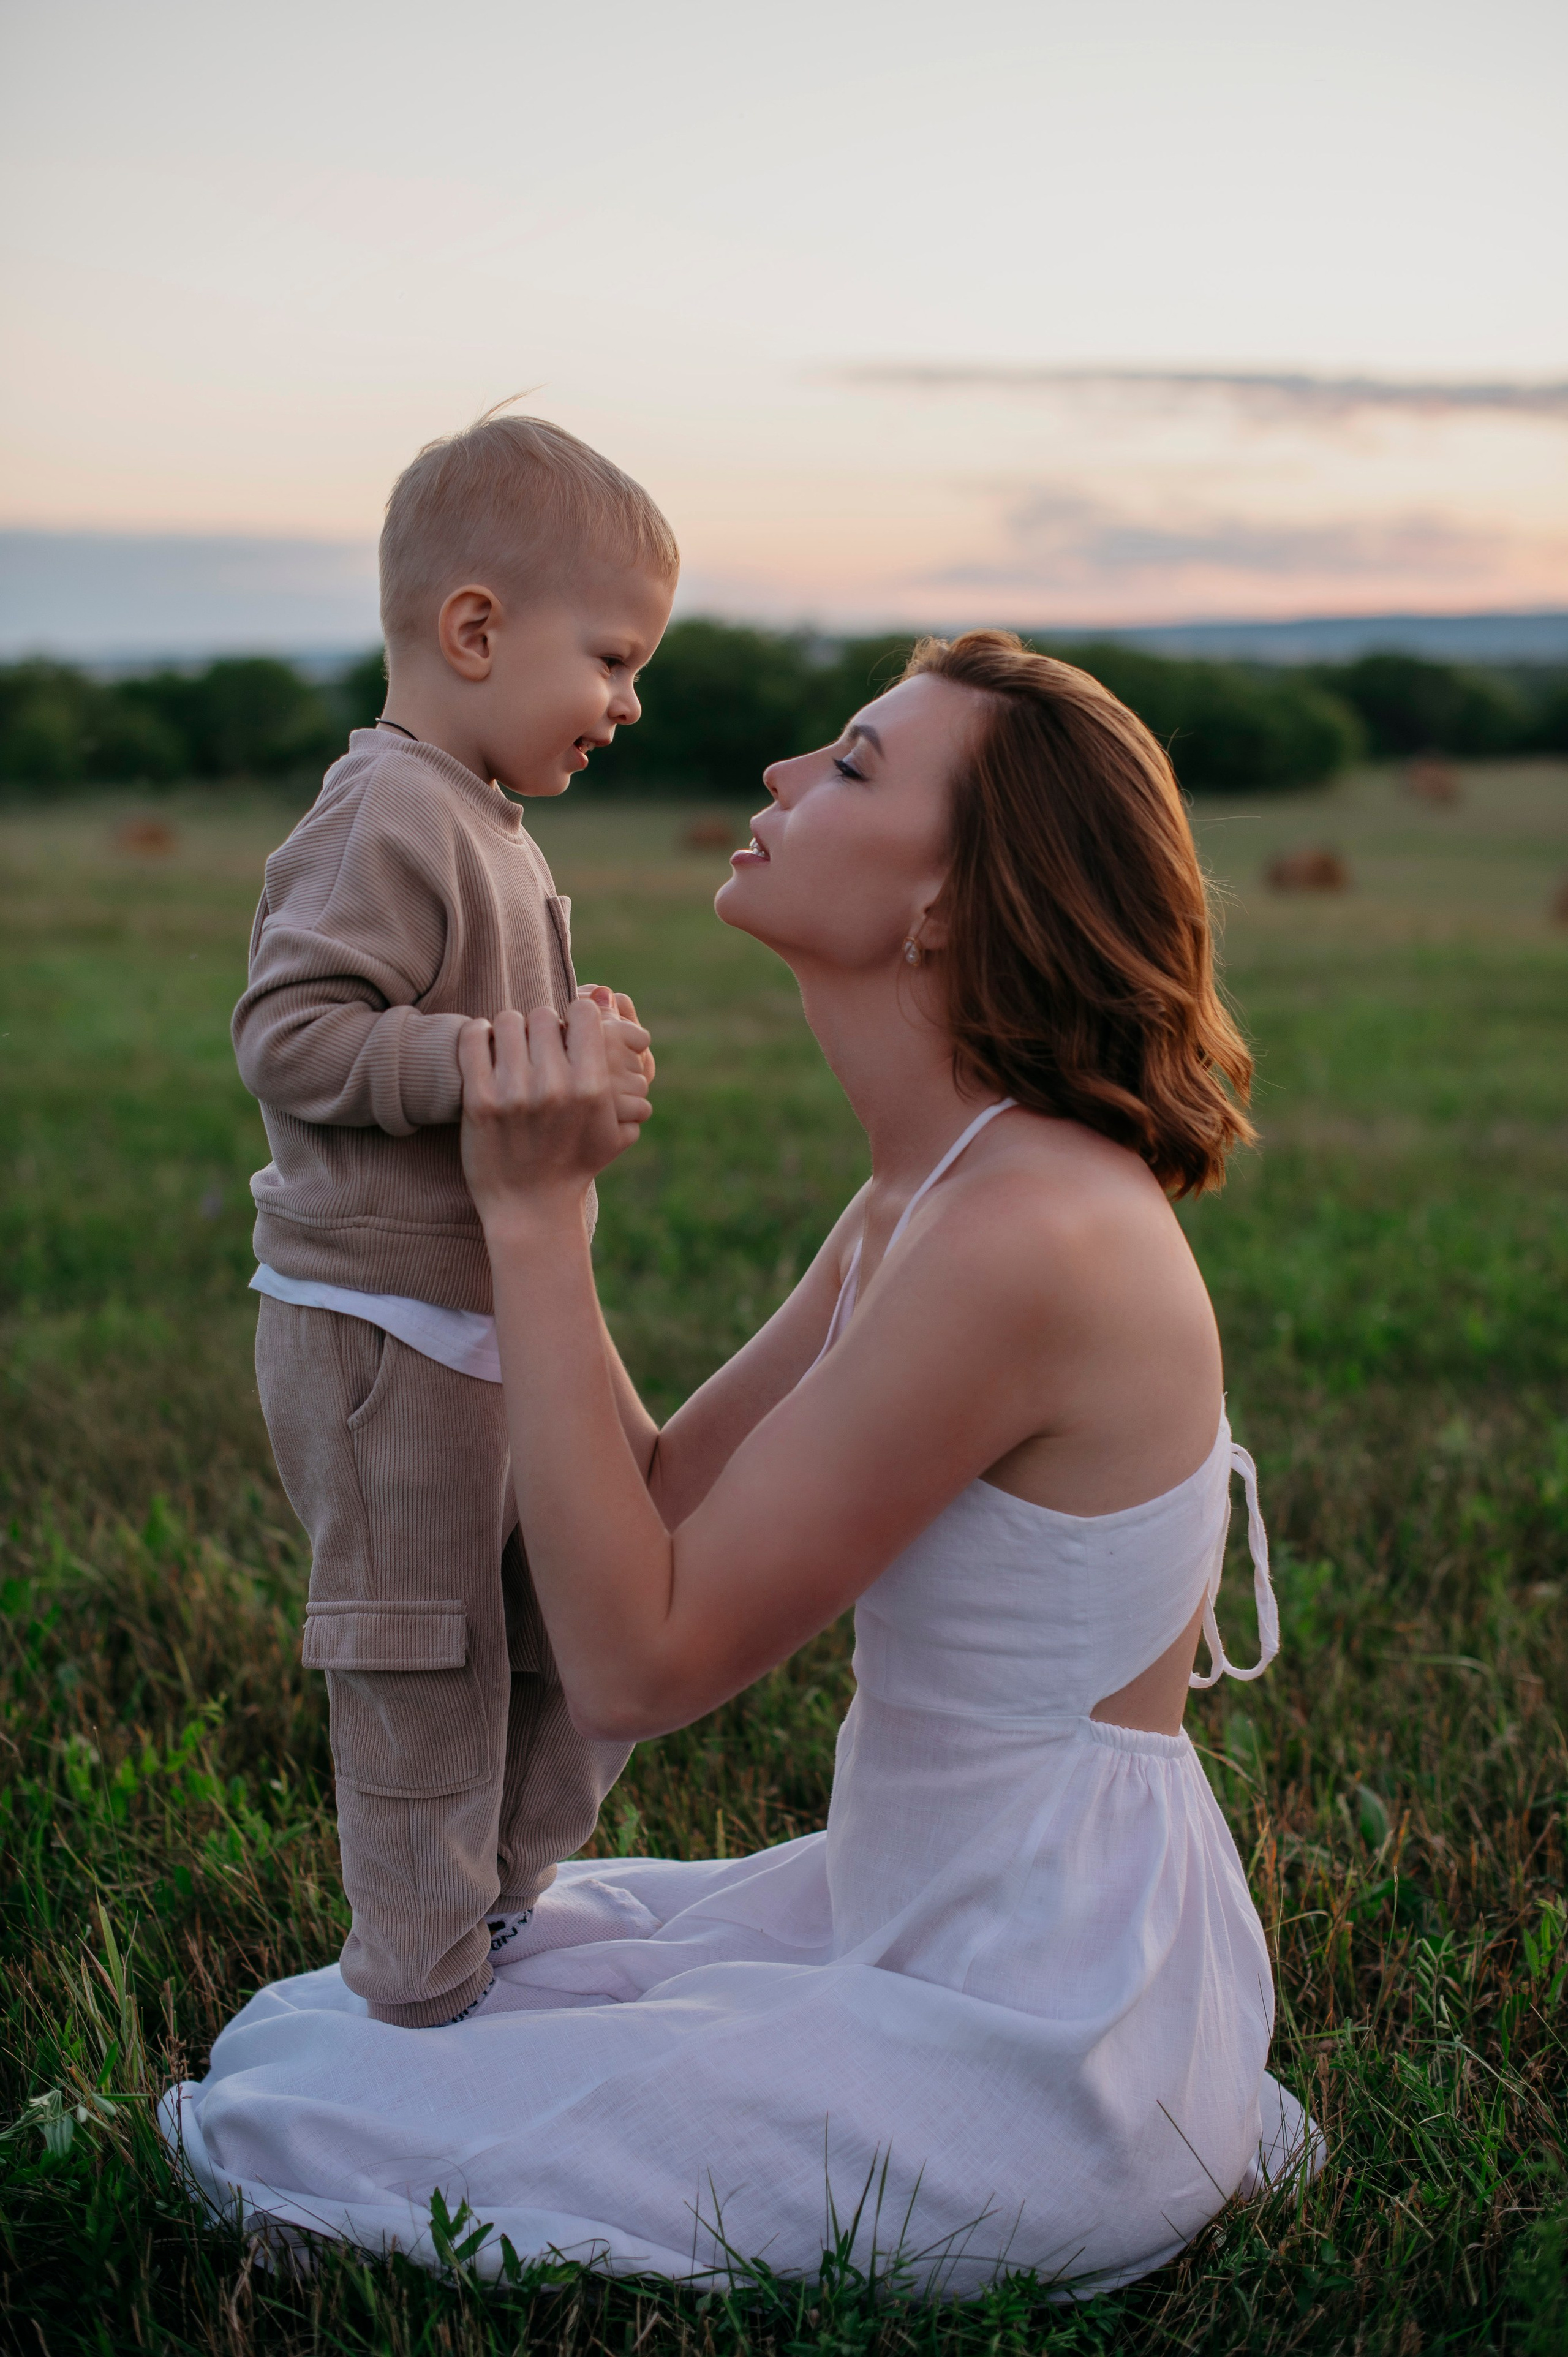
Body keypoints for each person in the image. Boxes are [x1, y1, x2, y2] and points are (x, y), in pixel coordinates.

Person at [167, 630, 1317, 2296]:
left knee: (316, 2113)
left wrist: (540, 1219)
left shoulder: (1030, 1236)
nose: (780, 776)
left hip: (1045, 2003)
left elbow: (636, 1662)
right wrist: (497, 1234)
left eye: (851, 764)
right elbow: (662, 1503)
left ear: (951, 908)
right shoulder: (929, 1197)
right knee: (315, 2035)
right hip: (921, 1898)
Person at [230, 410, 674, 2027]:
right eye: (614, 661)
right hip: (381, 1330)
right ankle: (414, 1978)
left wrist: (578, 1043)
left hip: (493, 1313)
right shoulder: (384, 815)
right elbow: (288, 1036)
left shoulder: (489, 821)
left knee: (585, 1603)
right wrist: (498, 1059)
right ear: (476, 629)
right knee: (424, 1652)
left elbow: (487, 1049)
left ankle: (501, 1896)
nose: (629, 705)